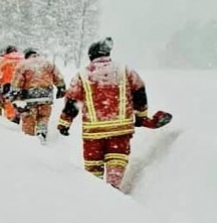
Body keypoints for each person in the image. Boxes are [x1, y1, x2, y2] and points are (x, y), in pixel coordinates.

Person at [56, 37, 170, 189]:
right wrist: (141, 116)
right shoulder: (124, 70)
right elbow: (139, 93)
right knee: (116, 164)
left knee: (92, 171)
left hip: (93, 133)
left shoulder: (82, 75)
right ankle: (113, 190)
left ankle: (93, 196)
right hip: (120, 131)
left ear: (91, 56)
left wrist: (64, 123)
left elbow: (72, 102)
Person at [9, 48, 66, 140]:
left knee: (29, 119)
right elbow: (58, 77)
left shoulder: (23, 65)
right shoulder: (48, 63)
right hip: (46, 96)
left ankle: (29, 139)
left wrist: (15, 94)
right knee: (43, 116)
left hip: (29, 97)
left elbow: (17, 82)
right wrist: (61, 88)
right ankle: (41, 131)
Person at [0, 45, 24, 124]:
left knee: (8, 101)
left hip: (7, 84)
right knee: (19, 102)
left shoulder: (4, 61)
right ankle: (18, 116)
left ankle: (10, 119)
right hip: (20, 85)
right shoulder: (23, 61)